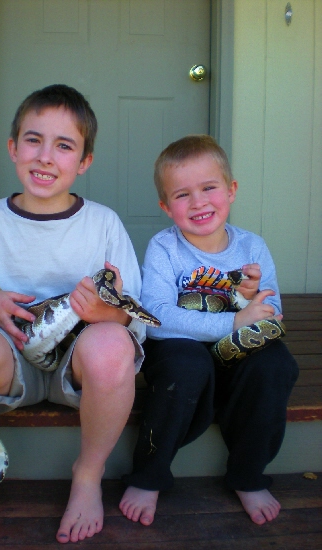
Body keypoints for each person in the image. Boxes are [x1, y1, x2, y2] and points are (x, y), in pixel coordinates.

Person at [0, 84, 146, 545]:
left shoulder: (103, 224)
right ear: (13, 148)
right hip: (9, 362)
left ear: (84, 161)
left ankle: (88, 474)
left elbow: (139, 318)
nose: (46, 156)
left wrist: (107, 314)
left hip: (80, 369)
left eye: (64, 145)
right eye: (34, 139)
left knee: (113, 347)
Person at [119, 135, 299, 527]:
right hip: (180, 349)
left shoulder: (252, 246)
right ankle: (149, 474)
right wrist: (234, 320)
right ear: (166, 207)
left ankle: (248, 475)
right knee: (185, 367)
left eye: (209, 188)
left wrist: (244, 299)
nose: (198, 202)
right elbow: (157, 316)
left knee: (276, 366)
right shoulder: (164, 248)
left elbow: (272, 315)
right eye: (182, 195)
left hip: (236, 352)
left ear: (231, 191)